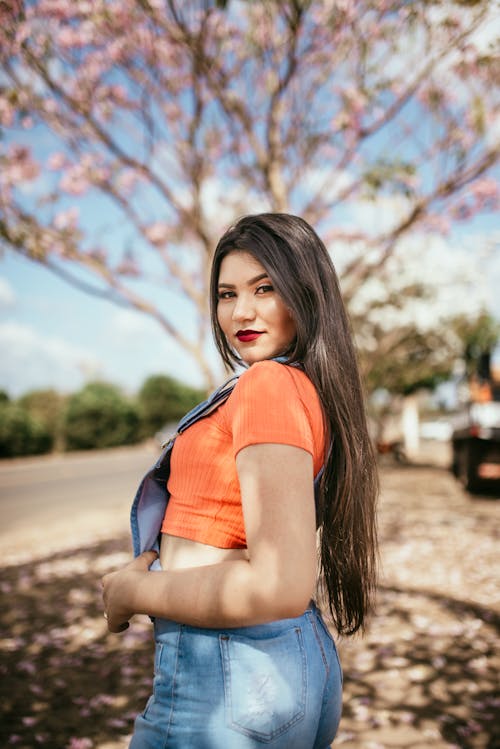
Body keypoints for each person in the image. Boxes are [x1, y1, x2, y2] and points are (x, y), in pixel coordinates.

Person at [102, 213, 379, 748]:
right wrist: (149, 560)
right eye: (227, 294)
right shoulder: (299, 386)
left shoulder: (268, 384)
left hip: (229, 674)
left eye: (265, 288)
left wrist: (136, 590)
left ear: (305, 295)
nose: (241, 312)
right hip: (271, 667)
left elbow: (277, 584)